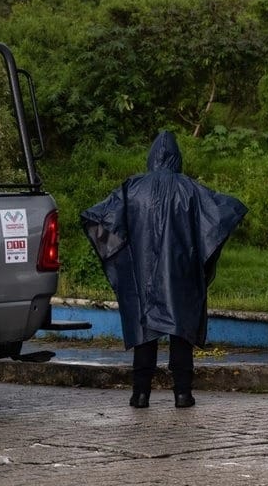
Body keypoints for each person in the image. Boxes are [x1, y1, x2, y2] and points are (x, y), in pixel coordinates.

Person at [81, 130, 247, 409]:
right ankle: (183, 394)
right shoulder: (191, 189)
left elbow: (100, 218)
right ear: (177, 158)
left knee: (145, 329)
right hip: (180, 273)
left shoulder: (132, 188)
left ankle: (140, 394)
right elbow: (220, 215)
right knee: (181, 330)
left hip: (142, 273)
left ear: (151, 157)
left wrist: (120, 258)